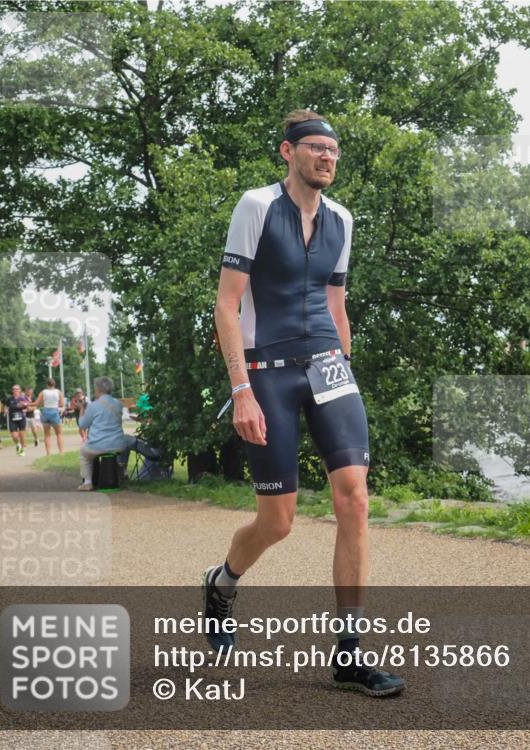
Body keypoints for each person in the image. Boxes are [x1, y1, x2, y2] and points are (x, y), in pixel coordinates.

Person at [207, 110, 402, 697]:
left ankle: (349, 651)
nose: (327, 158)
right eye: (316, 149)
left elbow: (336, 304)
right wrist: (241, 389)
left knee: (355, 499)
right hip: (266, 369)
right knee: (280, 521)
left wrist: (346, 368)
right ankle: (223, 581)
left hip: (328, 366)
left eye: (334, 152)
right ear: (288, 152)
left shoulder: (343, 219)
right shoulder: (256, 206)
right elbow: (226, 305)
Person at [77, 376, 126, 491]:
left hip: (97, 445)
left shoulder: (93, 405)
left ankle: (88, 482)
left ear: (98, 389)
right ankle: (122, 473)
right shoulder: (118, 404)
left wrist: (81, 409)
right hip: (118, 444)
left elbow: (83, 425)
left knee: (84, 453)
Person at [33, 378, 65, 456]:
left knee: (47, 435)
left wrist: (27, 404)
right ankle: (61, 452)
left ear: (47, 384)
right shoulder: (58, 392)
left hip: (46, 411)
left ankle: (48, 453)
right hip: (54, 411)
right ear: (54, 384)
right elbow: (61, 404)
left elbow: (37, 403)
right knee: (59, 434)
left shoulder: (43, 392)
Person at [6, 384, 30, 456]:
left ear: (20, 390)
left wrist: (25, 408)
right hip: (12, 419)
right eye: (14, 389)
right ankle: (18, 444)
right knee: (14, 436)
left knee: (22, 435)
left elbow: (28, 407)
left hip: (21, 419)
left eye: (17, 389)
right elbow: (6, 406)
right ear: (12, 391)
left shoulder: (23, 398)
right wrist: (6, 410)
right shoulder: (9, 399)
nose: (15, 390)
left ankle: (21, 450)